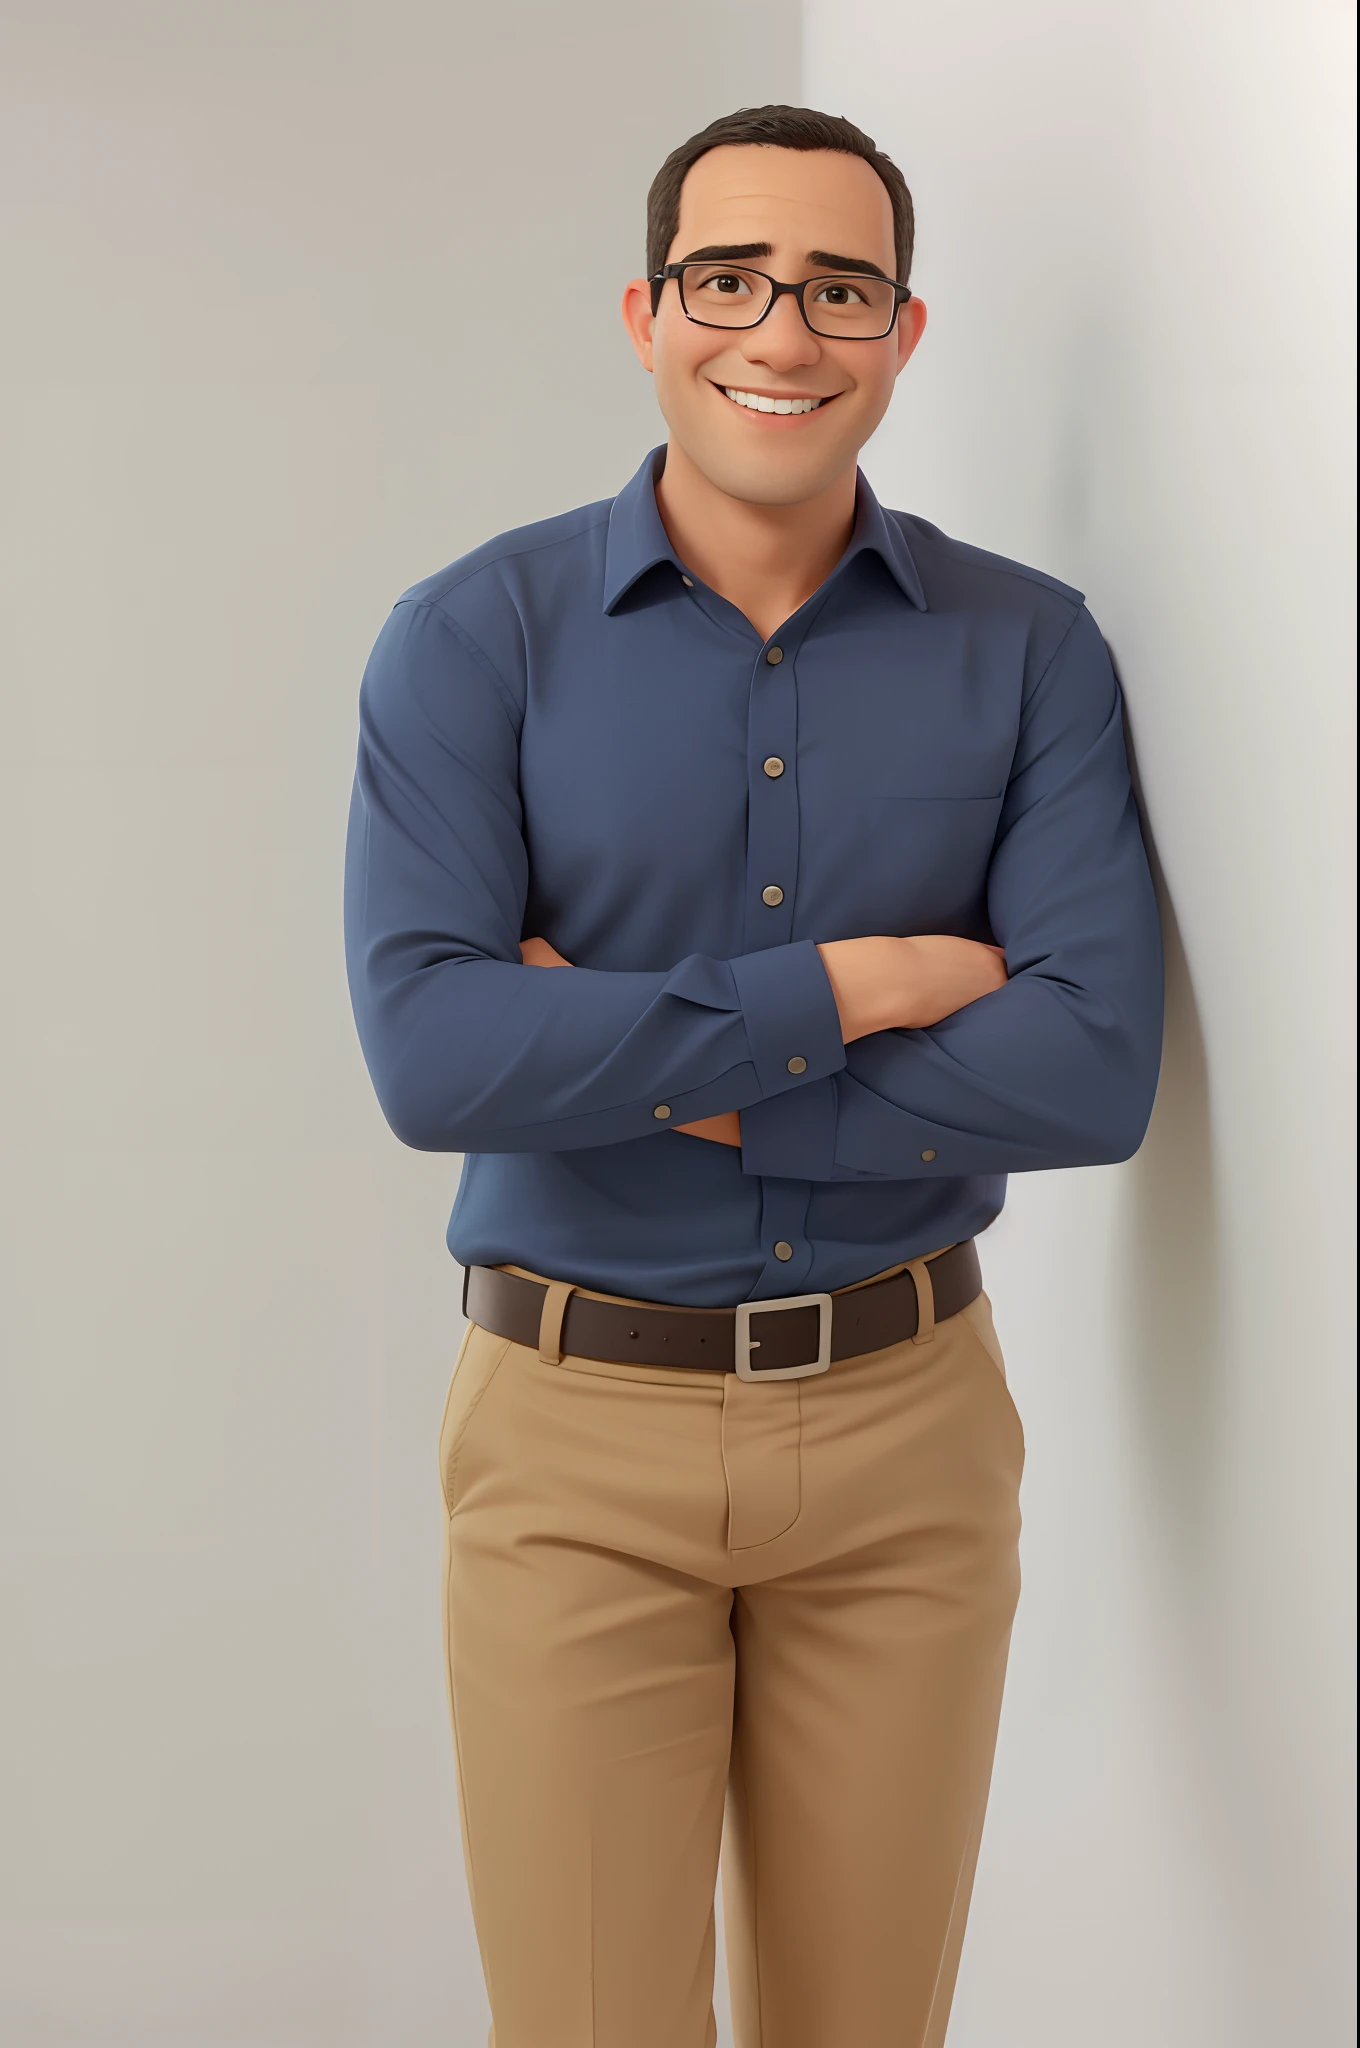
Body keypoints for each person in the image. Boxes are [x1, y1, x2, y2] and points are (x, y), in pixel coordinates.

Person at [343, 103, 1163, 2048]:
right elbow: (437, 1051)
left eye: (834, 287)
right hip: (571, 1441)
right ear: (645, 311)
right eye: (728, 279)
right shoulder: (473, 640)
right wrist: (851, 985)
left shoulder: (1028, 652)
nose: (777, 332)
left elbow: (1085, 1074)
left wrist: (639, 1055)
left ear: (900, 330)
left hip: (907, 1436)